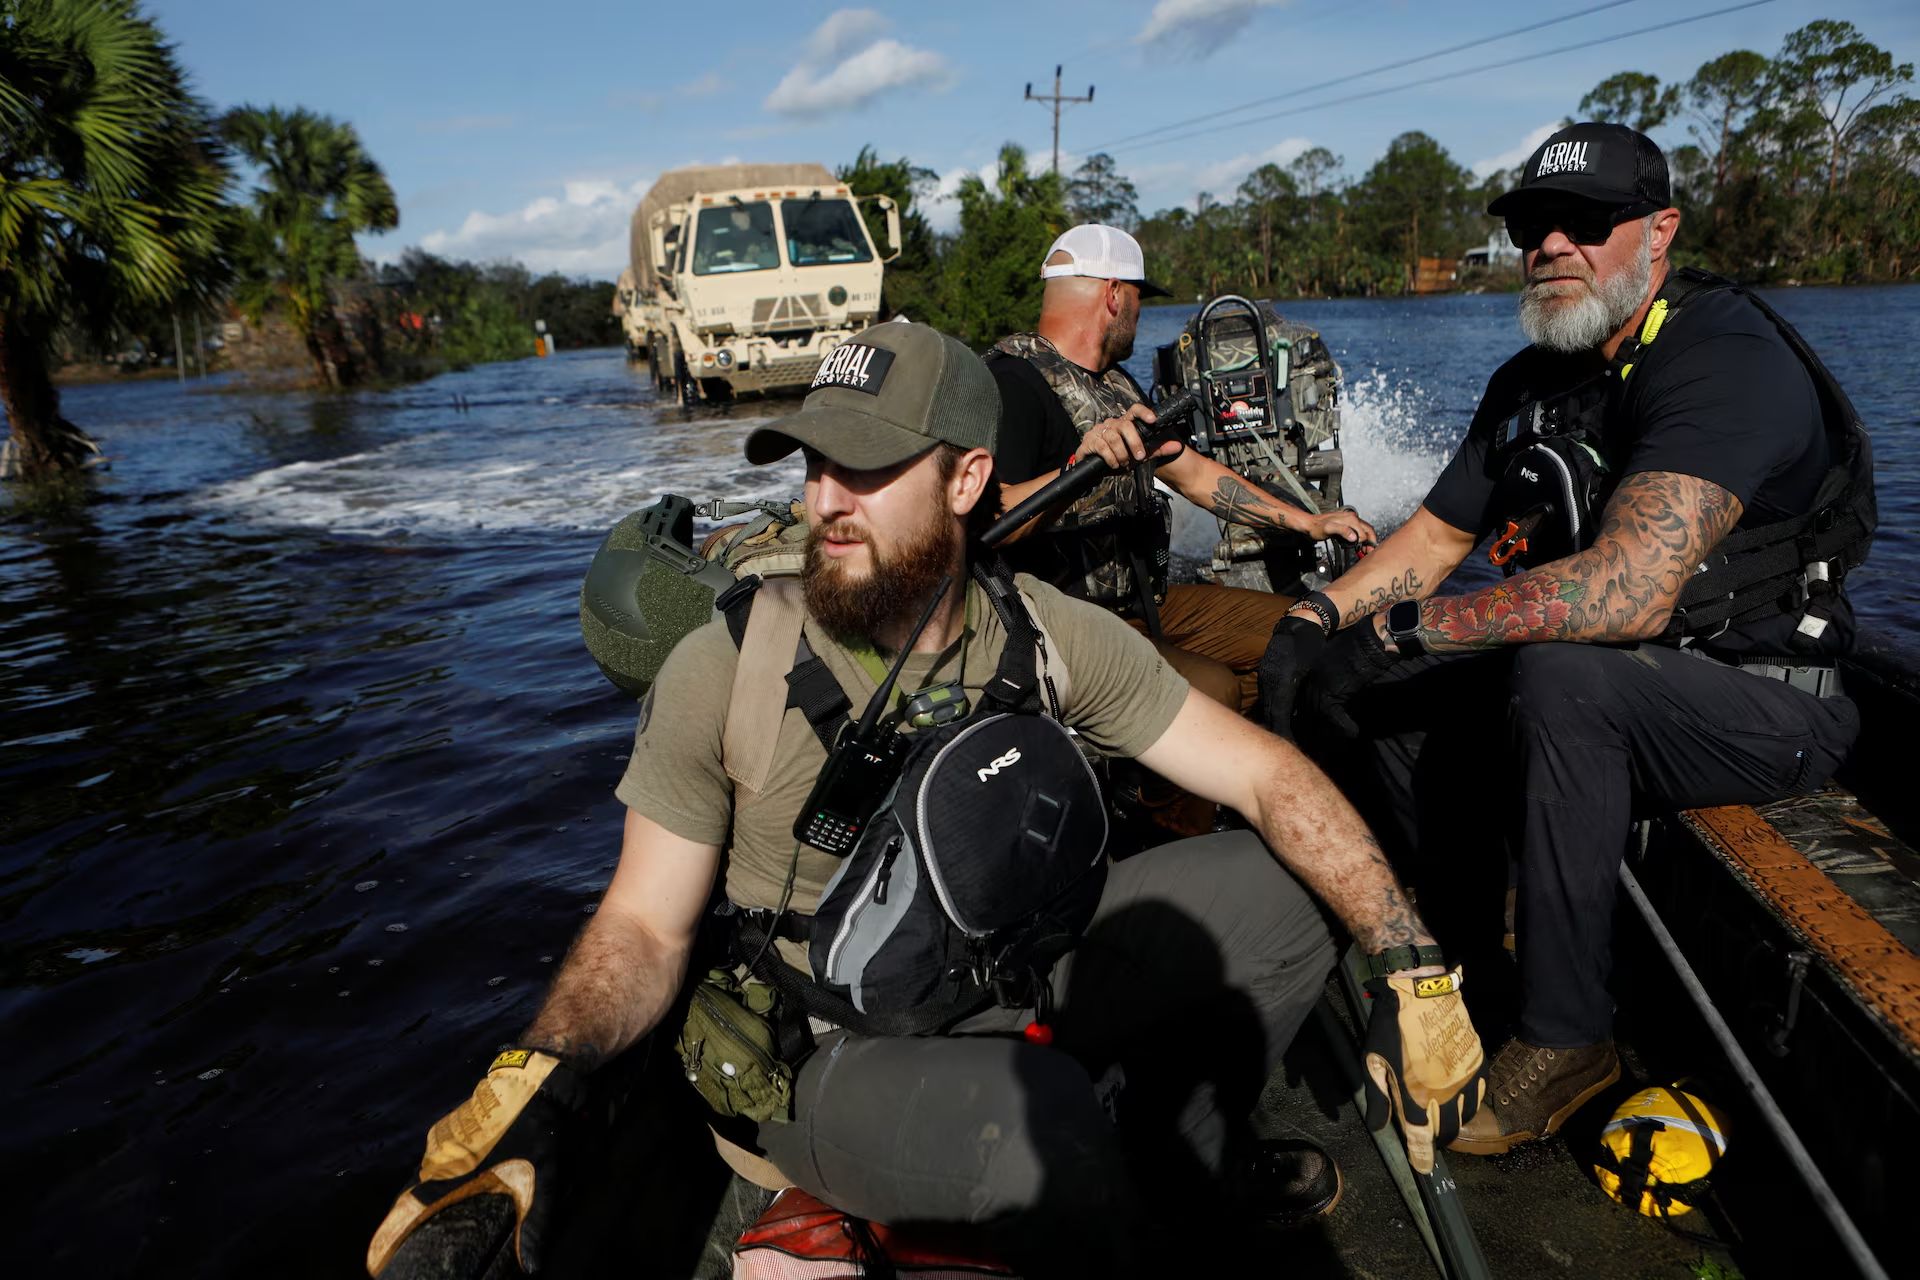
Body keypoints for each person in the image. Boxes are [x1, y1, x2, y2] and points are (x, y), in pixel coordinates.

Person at [368, 321, 1487, 1276]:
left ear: (965, 479)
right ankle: (1004, 1184)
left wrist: (1408, 957)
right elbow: (645, 922)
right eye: (811, 465)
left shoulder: (1045, 633)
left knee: (1283, 885)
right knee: (1037, 1132)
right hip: (820, 1041)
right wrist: (540, 1072)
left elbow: (1265, 771)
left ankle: (1168, 1166)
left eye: (865, 468)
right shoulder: (729, 660)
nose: (825, 503)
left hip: (1002, 965)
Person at [1262, 123, 1870, 1157]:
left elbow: (1630, 590)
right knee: (1354, 683)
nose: (1551, 245)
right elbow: (1437, 537)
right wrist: (1315, 624)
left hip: (1767, 699)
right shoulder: (1533, 381)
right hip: (1624, 676)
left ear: (1659, 230)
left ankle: (1567, 1038)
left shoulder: (1724, 357)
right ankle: (1456, 953)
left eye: (1585, 224)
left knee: (1558, 676)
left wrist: (1415, 628)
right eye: (1533, 225)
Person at [987, 223, 1377, 719]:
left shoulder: (1114, 383)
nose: (1139, 313)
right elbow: (992, 517)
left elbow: (1192, 473)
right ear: (1114, 295)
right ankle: (1163, 785)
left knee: (1304, 629)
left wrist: (1310, 521)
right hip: (1066, 627)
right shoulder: (1011, 383)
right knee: (1216, 692)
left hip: (1144, 605)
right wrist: (1077, 468)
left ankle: (1238, 763)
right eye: (1138, 298)